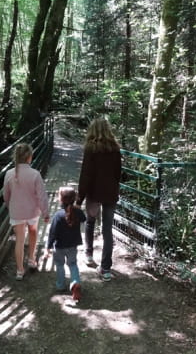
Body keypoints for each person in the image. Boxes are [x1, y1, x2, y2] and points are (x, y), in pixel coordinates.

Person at [76, 118, 121, 282]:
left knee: (90, 221)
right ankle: (106, 268)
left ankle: (88, 254)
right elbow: (118, 173)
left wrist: (79, 198)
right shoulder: (115, 148)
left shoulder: (91, 148)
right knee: (107, 229)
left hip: (94, 193)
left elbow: (86, 174)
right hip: (110, 193)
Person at [3, 143, 50, 280]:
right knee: (33, 232)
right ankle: (31, 259)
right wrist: (45, 213)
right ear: (29, 157)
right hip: (32, 211)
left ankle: (19, 270)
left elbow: (6, 194)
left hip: (16, 211)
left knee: (19, 239)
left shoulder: (9, 174)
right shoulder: (35, 174)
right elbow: (42, 196)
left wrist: (9, 206)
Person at [45, 186, 86, 302]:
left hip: (59, 247)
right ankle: (75, 283)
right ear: (74, 199)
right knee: (72, 264)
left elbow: (52, 233)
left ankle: (60, 285)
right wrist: (77, 209)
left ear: (61, 200)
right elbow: (84, 219)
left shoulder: (58, 215)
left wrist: (48, 247)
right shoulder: (77, 212)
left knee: (59, 265)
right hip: (73, 245)